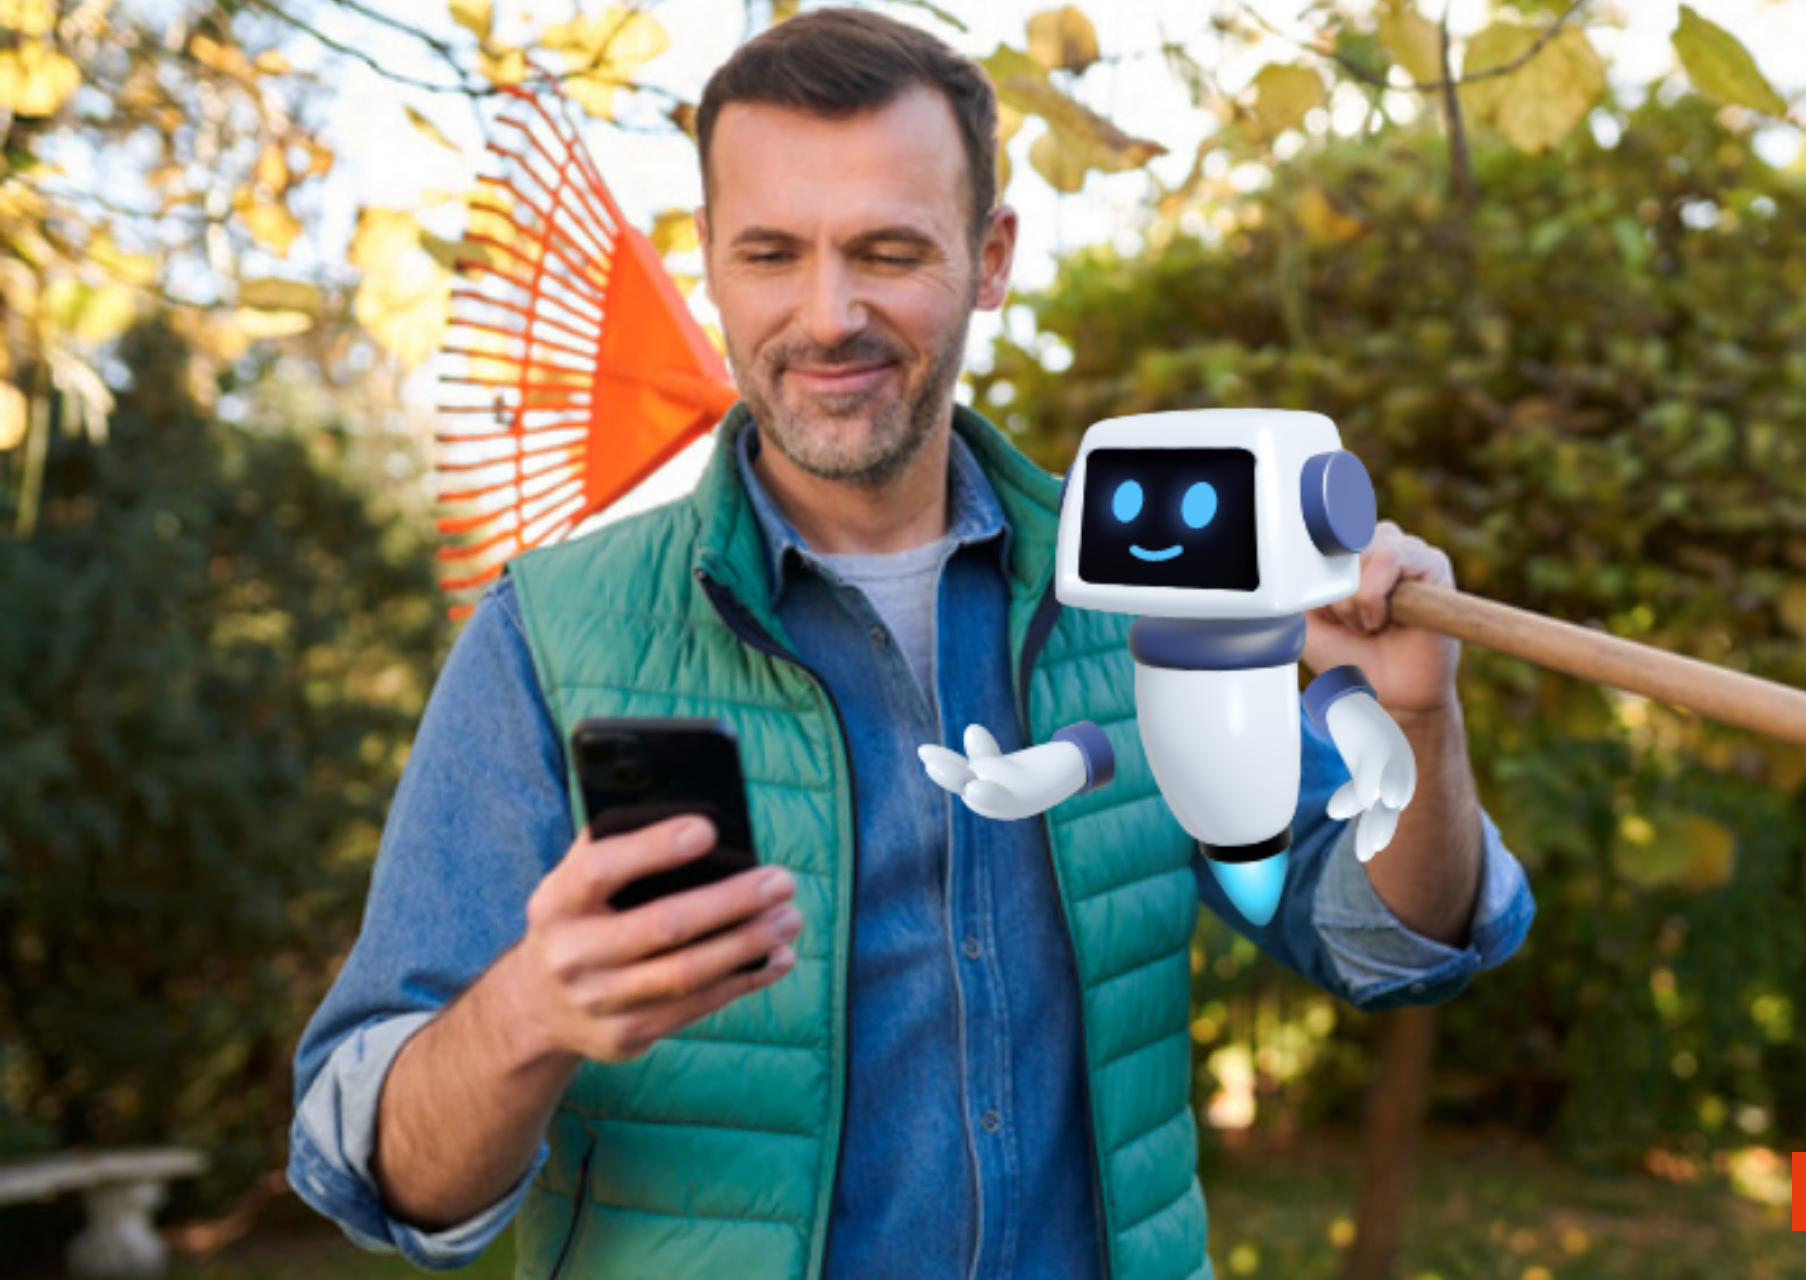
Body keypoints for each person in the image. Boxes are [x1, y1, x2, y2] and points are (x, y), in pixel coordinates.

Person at [288, 9, 1535, 1279]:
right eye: (771, 253)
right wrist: (529, 1014)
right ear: (712, 259)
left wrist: (1420, 729)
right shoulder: (547, 635)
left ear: (990, 256)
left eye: (889, 250)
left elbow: (1387, 940)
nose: (830, 315)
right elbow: (374, 1160)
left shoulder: (1152, 587)